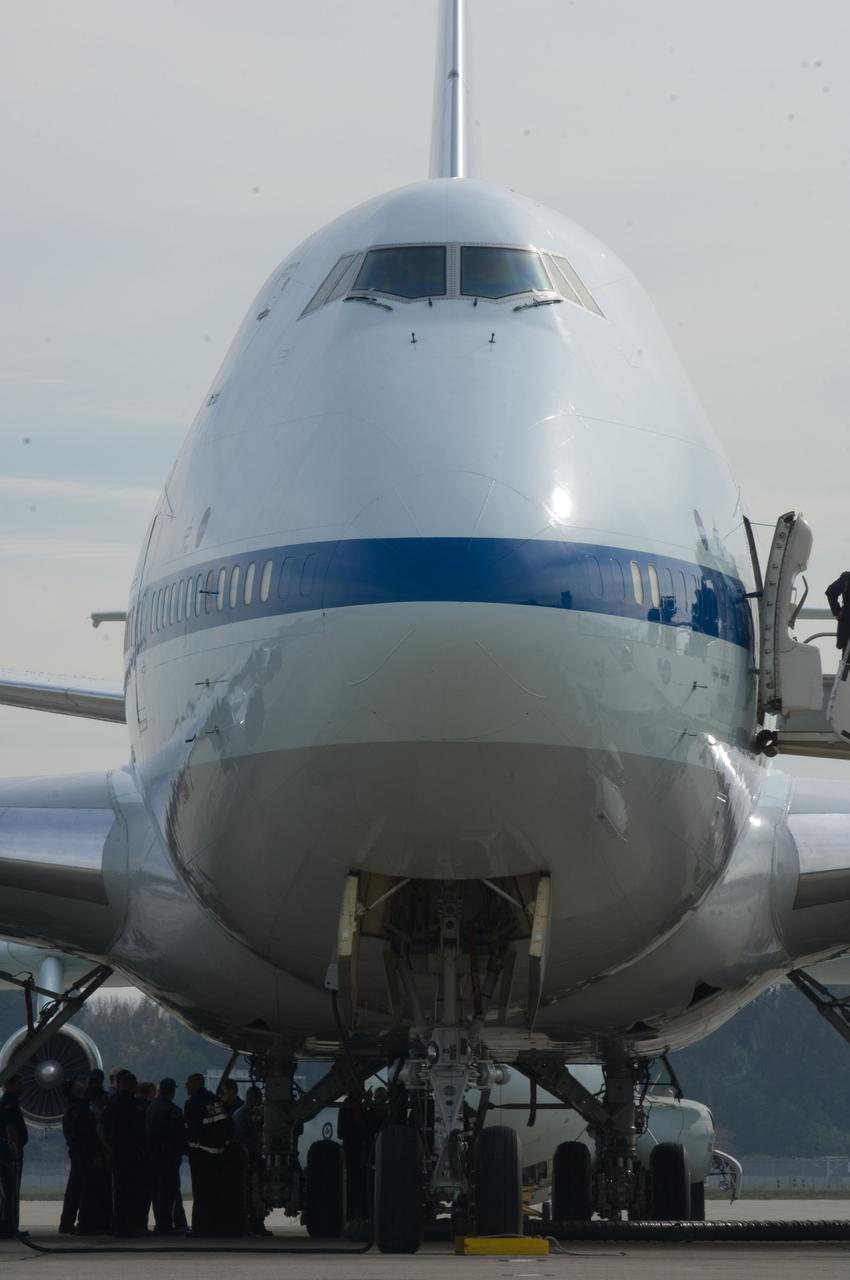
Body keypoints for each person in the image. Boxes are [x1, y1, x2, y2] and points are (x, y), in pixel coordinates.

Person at [184, 1072, 233, 1236]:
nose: (186, 1087)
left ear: (196, 1084)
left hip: (200, 1154)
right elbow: (227, 1124)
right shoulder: (215, 1100)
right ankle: (216, 1225)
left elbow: (192, 1130)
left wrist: (190, 1148)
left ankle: (200, 1227)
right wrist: (225, 1143)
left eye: (188, 1083)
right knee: (215, 1191)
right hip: (218, 1153)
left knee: (200, 1193)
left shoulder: (192, 1103)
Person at [102, 1070, 148, 1236]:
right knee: (133, 1192)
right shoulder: (133, 1105)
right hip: (131, 1153)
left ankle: (119, 1225)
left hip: (117, 1152)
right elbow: (140, 1131)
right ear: (132, 1086)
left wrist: (109, 1149)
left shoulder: (111, 1102)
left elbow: (101, 1128)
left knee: (118, 1192)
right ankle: (132, 1225)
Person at [147, 1078, 188, 1235]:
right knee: (169, 1193)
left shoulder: (151, 1108)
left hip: (153, 1157)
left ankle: (161, 1223)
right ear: (172, 1091)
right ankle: (167, 1225)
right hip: (169, 1158)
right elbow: (178, 1135)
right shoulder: (173, 1110)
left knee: (157, 1193)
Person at [233, 1085, 270, 1235]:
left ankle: (254, 1223)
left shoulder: (243, 1113)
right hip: (249, 1157)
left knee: (253, 1191)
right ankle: (253, 1224)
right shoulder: (245, 1115)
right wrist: (258, 1146)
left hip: (250, 1157)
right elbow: (241, 1138)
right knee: (252, 1191)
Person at [0, 1074, 28, 1239]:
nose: (22, 1087)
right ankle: (7, 1226)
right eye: (19, 1083)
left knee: (12, 1190)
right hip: (9, 1151)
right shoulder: (9, 1102)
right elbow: (11, 1127)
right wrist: (14, 1148)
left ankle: (11, 1224)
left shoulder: (9, 1100)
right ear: (11, 1084)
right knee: (10, 1190)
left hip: (8, 1149)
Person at [826, 572, 850, 652]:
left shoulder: (846, 578)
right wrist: (837, 612)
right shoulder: (846, 578)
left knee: (847, 662)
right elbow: (831, 592)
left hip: (847, 630)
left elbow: (831, 591)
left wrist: (837, 612)